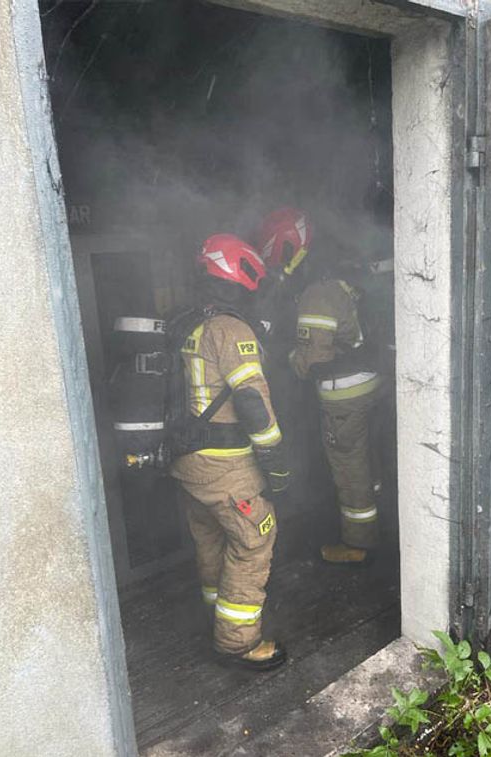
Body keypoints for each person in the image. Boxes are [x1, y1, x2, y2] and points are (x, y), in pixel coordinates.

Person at [171, 233, 292, 671]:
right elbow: (251, 402)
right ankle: (238, 642)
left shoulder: (186, 322)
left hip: (187, 462)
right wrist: (276, 460)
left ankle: (215, 614)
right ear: (241, 274)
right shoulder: (231, 328)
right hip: (226, 465)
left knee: (210, 538)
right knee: (253, 537)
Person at [285, 222, 383, 565]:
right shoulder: (349, 286)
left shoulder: (318, 293)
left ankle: (358, 544)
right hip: (370, 385)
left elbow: (312, 361)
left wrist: (285, 357)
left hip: (343, 397)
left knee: (349, 467)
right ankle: (377, 529)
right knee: (369, 460)